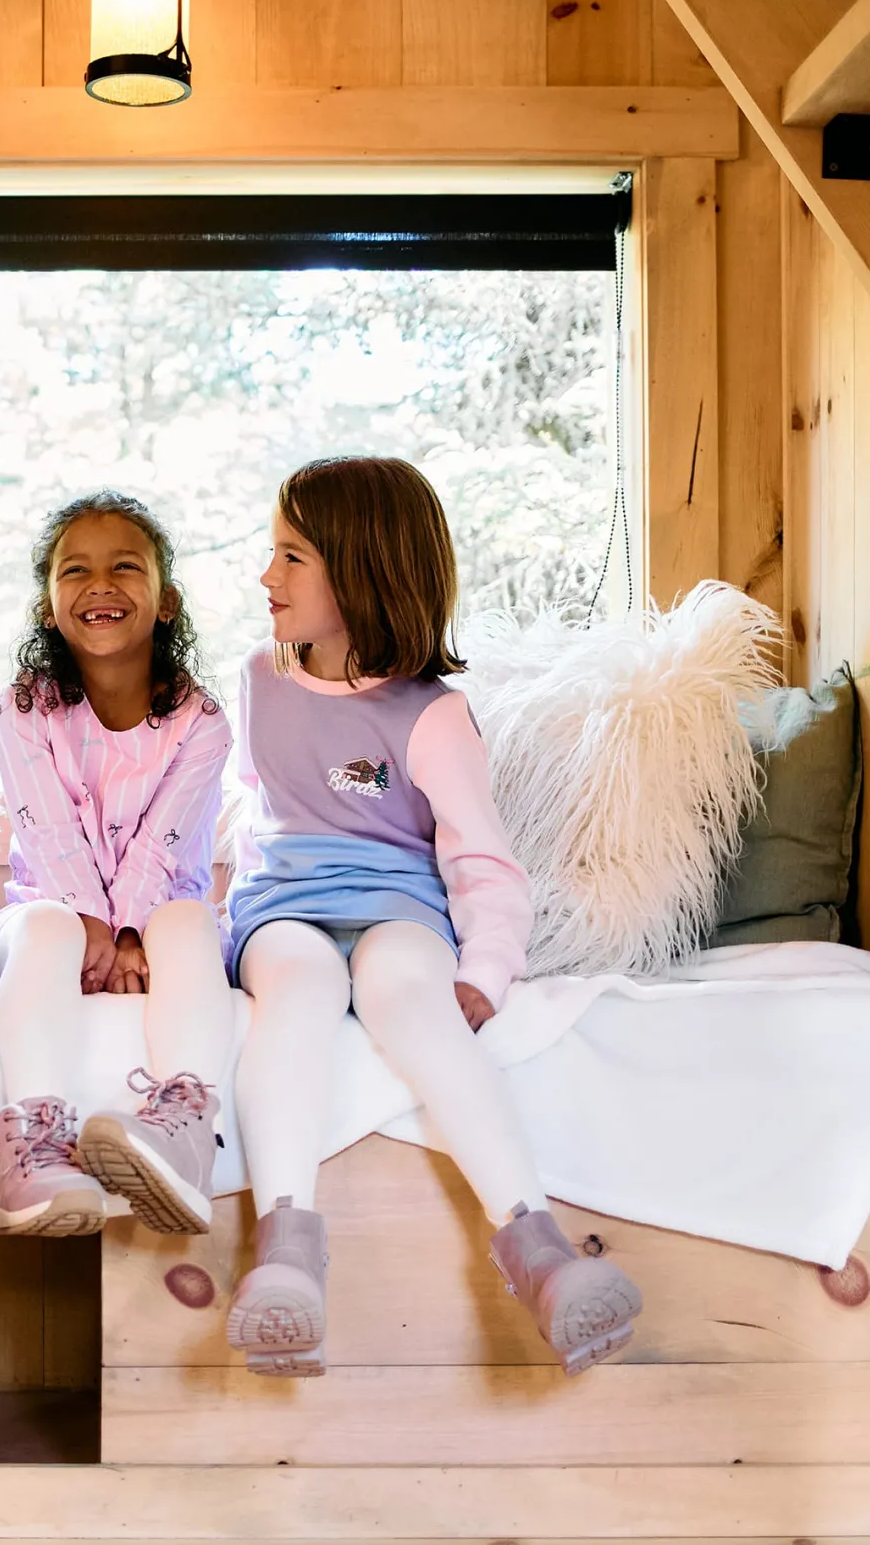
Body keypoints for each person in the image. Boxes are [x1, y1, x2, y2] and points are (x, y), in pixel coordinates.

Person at [224, 455, 642, 1377]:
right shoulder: (258, 677)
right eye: (272, 553)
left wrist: (484, 969)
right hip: (284, 907)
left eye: (291, 557)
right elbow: (252, 808)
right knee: (295, 998)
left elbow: (481, 859)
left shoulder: (433, 715)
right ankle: (285, 1255)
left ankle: (540, 1253)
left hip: (398, 907)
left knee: (415, 1006)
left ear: (361, 570)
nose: (266, 576)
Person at [0, 492, 235, 1238]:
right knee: (48, 926)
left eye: (126, 567)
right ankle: (34, 1147)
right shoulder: (25, 708)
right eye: (75, 570)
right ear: (48, 607)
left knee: (188, 918)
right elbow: (45, 829)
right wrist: (90, 925)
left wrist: (128, 933)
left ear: (166, 600)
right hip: (51, 915)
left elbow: (166, 841)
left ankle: (183, 1134)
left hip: (155, 924)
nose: (101, 585)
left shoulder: (201, 721)